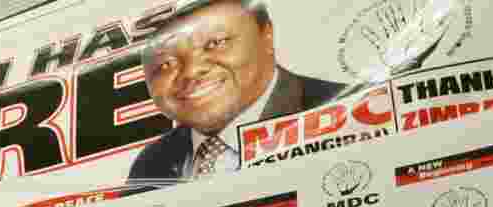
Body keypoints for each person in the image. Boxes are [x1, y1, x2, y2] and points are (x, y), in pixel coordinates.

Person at [127, 0, 348, 185]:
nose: (191, 71)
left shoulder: (347, 111)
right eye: (165, 64)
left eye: (215, 43)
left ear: (266, 35)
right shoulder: (151, 163)